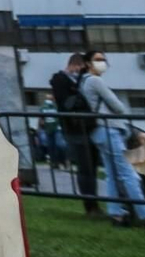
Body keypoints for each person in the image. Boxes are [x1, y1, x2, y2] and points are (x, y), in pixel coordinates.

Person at [80, 51, 145, 229]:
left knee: (113, 175)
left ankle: (116, 214)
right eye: (98, 60)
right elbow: (118, 106)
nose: (102, 63)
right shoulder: (95, 81)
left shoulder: (84, 82)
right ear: (88, 63)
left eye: (103, 60)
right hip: (109, 130)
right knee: (128, 174)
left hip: (99, 131)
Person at [50, 53, 100, 215]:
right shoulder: (61, 81)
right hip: (75, 128)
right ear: (76, 65)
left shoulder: (75, 80)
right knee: (85, 167)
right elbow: (68, 103)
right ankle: (90, 204)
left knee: (91, 166)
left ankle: (93, 202)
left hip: (85, 127)